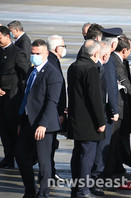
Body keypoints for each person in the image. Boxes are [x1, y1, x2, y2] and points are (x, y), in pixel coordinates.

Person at [15, 39, 63, 198]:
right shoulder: (31, 71)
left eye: (38, 54)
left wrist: (42, 124)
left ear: (46, 54)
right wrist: (21, 121)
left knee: (44, 163)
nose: (34, 56)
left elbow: (52, 102)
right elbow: (26, 97)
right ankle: (30, 190)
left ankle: (43, 193)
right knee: (21, 157)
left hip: (44, 125)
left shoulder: (52, 73)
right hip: (28, 122)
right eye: (32, 53)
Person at [68, 39, 106, 198]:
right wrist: (101, 121)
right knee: (87, 158)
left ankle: (76, 188)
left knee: (78, 155)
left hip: (76, 118)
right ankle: (83, 190)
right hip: (89, 121)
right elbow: (95, 98)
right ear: (96, 53)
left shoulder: (74, 66)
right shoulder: (90, 69)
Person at [90, 28, 121, 196]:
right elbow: (110, 87)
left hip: (98, 112)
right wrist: (115, 110)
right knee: (101, 150)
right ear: (114, 44)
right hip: (105, 113)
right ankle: (96, 182)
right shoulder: (107, 60)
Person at [104, 35, 131, 180]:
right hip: (117, 106)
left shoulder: (116, 59)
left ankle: (117, 165)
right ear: (124, 50)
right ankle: (110, 169)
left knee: (117, 139)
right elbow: (124, 80)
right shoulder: (116, 61)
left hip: (120, 104)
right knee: (114, 139)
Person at [0, 26, 29, 169]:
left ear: (7, 36)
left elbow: (25, 75)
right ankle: (8, 158)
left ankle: (19, 157)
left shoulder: (17, 53)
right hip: (1, 98)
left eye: (0, 38)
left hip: (12, 97)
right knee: (3, 130)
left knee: (13, 129)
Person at [47, 35, 67, 183]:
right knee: (49, 145)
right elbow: (56, 92)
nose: (65, 49)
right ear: (57, 48)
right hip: (53, 113)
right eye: (63, 46)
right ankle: (49, 172)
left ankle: (50, 171)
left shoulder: (53, 61)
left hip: (54, 111)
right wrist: (60, 113)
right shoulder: (52, 63)